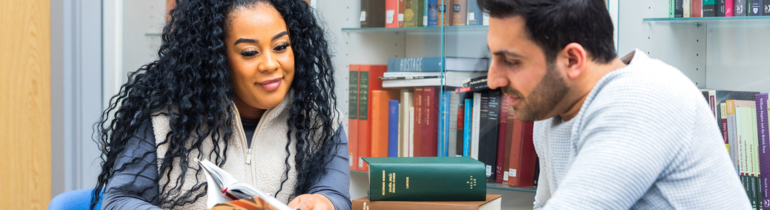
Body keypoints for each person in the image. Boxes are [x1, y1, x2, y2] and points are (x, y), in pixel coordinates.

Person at [479, 0, 750, 209]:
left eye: (512, 61)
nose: (492, 79)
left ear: (572, 60)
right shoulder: (553, 110)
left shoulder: (645, 98)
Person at [90, 0, 350, 209]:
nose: (271, 64)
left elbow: (334, 193)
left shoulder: (321, 122)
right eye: (250, 52)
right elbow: (119, 201)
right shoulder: (161, 121)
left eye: (281, 46)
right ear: (214, 58)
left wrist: (323, 202)